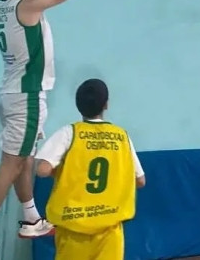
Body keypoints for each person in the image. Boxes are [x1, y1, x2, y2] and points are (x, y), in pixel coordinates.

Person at [0, 0, 97, 260]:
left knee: (25, 160)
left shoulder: (5, 6)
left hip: (12, 94)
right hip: (27, 96)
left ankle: (31, 218)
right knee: (11, 165)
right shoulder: (28, 5)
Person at [35, 78, 146, 260]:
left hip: (73, 228)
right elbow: (140, 181)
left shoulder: (69, 133)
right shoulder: (122, 136)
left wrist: (64, 171)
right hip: (110, 230)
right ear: (106, 104)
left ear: (78, 105)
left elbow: (42, 170)